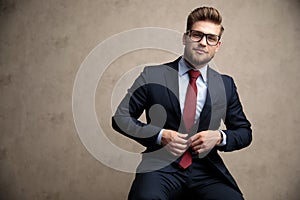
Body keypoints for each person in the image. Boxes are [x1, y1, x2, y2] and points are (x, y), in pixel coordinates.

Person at [112, 6, 252, 200]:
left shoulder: (226, 84)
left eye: (211, 38)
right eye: (197, 35)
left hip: (207, 170)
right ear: (185, 37)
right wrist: (160, 136)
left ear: (217, 45)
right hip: (160, 167)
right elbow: (120, 118)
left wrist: (219, 137)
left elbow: (244, 132)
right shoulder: (153, 75)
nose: (203, 42)